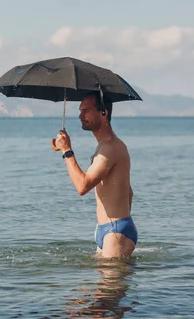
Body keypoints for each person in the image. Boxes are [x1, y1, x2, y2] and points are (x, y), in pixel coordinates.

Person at [55, 91, 137, 259]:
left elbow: (83, 187)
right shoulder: (103, 146)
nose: (80, 116)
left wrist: (67, 151)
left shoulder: (110, 148)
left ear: (104, 113)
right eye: (80, 110)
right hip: (108, 229)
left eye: (86, 111)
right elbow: (129, 192)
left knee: (110, 286)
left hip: (115, 233)